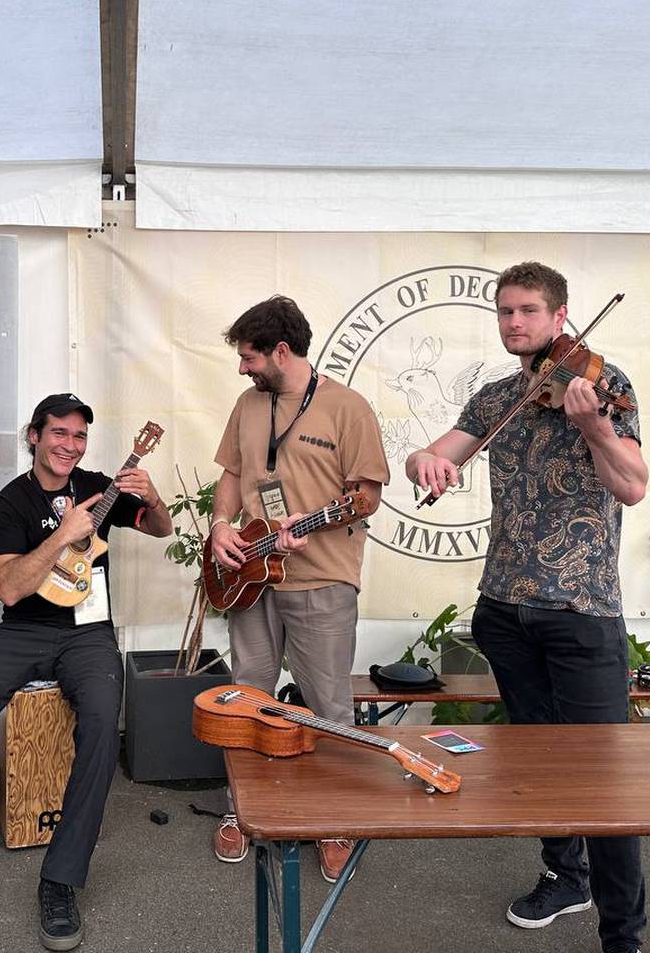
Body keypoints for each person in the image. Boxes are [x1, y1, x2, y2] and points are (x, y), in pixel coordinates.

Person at [405, 261, 647, 953]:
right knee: (538, 762)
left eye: (529, 311)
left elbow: (631, 487)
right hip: (503, 610)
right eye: (506, 311)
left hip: (582, 610)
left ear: (560, 317)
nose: (516, 322)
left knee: (603, 776)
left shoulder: (605, 384)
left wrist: (597, 429)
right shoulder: (494, 399)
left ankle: (623, 934)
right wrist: (426, 461)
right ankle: (565, 875)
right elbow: (435, 452)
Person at [0, 393, 171, 952]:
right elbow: (9, 587)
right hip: (25, 627)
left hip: (87, 631)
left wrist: (152, 498)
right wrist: (61, 533)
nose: (69, 446)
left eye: (79, 437)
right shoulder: (9, 505)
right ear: (34, 436)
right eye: (59, 433)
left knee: (104, 723)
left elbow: (161, 530)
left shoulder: (101, 486)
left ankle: (60, 879)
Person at [206, 295, 389, 883]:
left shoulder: (348, 407)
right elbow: (233, 476)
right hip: (251, 576)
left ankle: (335, 821)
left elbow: (365, 497)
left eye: (250, 356)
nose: (243, 367)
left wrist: (311, 523)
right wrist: (219, 528)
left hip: (322, 579)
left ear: (281, 351)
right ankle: (242, 811)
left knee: (329, 703)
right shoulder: (246, 404)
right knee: (246, 694)